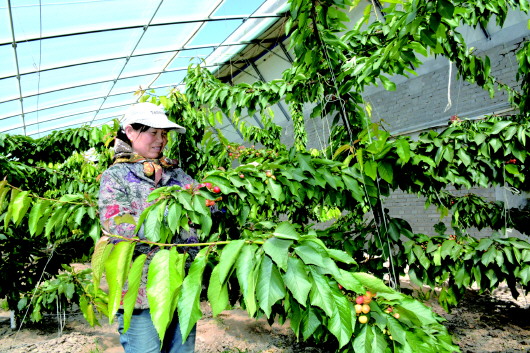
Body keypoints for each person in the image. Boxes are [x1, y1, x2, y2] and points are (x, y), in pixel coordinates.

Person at [98, 102, 198, 353]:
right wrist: (168, 221)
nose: (161, 140)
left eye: (164, 134)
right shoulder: (116, 176)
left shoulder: (176, 173)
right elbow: (117, 226)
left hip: (182, 284)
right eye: (153, 132)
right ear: (130, 131)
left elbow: (203, 209)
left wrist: (219, 196)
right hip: (140, 290)